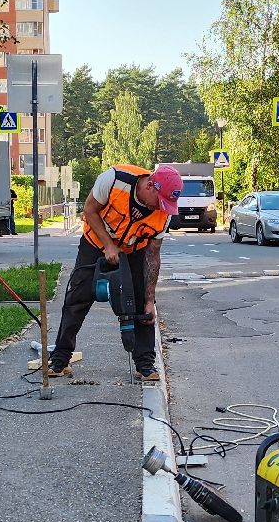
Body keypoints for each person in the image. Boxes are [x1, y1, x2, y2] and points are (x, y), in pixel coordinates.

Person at [46, 163, 182, 382]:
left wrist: (150, 300)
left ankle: (145, 364)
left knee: (142, 306)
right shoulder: (115, 180)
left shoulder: (163, 215)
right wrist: (108, 245)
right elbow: (89, 210)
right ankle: (60, 358)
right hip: (95, 243)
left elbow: (153, 256)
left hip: (133, 250)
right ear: (150, 186)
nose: (162, 207)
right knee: (77, 298)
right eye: (161, 201)